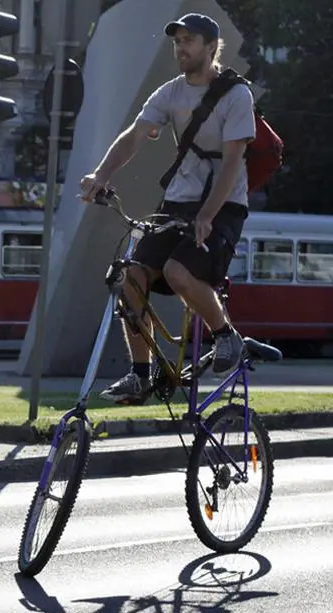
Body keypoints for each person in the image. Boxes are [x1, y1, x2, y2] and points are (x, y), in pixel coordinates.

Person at [80, 12, 254, 405]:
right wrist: (101, 175)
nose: (182, 48)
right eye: (178, 41)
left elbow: (231, 163)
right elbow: (134, 136)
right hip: (177, 200)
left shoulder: (235, 95)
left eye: (190, 41)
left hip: (224, 205)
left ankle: (226, 336)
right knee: (131, 278)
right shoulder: (171, 93)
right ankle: (140, 375)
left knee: (178, 271)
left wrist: (208, 215)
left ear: (212, 47)